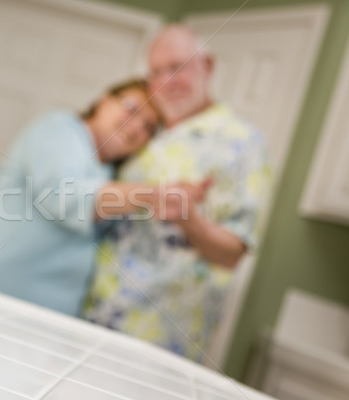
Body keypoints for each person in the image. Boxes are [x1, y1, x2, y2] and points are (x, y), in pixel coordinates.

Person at [82, 25, 272, 363]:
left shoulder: (242, 144)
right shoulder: (144, 131)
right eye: (156, 72)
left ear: (207, 66)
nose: (166, 82)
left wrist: (190, 221)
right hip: (89, 314)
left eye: (178, 68)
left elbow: (233, 253)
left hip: (157, 340)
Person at [0, 78, 170, 317]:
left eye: (149, 127)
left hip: (48, 317)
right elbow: (65, 197)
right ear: (105, 100)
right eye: (132, 108)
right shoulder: (59, 130)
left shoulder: (112, 174)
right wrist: (157, 194)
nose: (137, 126)